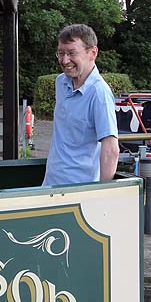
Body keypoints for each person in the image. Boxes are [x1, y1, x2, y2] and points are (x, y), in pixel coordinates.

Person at [43, 24, 119, 186]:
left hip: (79, 190)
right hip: (51, 182)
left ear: (92, 53)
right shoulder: (61, 83)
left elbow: (111, 150)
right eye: (61, 53)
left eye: (71, 53)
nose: (64, 60)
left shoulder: (99, 93)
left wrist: (103, 194)